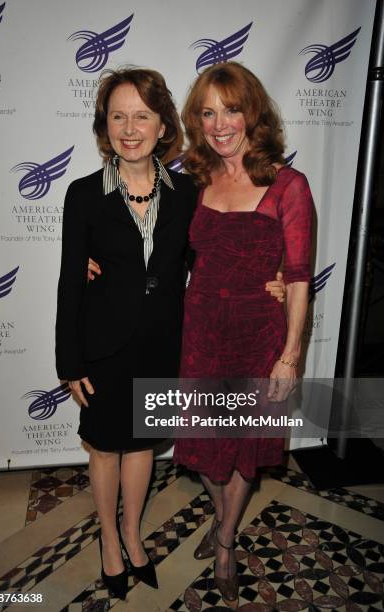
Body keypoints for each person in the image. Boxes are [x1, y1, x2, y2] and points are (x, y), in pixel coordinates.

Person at [173, 62, 313, 609]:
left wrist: (290, 355)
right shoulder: (194, 179)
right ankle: (222, 516)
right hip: (201, 330)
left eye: (230, 109)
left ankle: (226, 538)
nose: (220, 123)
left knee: (245, 450)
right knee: (206, 445)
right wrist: (97, 259)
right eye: (207, 112)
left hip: (260, 334)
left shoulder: (288, 184)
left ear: (251, 111)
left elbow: (299, 276)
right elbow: (153, 240)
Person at [55, 67, 198, 599]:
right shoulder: (83, 194)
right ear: (104, 125)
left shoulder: (187, 193)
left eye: (142, 115)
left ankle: (134, 536)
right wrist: (68, 362)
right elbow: (71, 282)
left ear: (163, 126)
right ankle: (109, 542)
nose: (130, 127)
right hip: (102, 348)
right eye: (118, 115)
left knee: (142, 448)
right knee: (105, 448)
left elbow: (204, 266)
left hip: (161, 344)